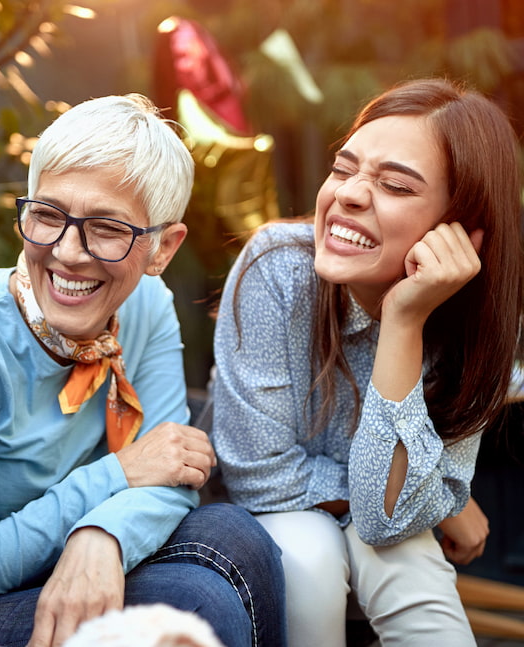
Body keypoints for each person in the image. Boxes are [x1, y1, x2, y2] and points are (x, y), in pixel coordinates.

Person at [0, 94, 286, 647]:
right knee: (194, 602)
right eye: (48, 215)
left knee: (238, 535)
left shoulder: (147, 305)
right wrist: (114, 478)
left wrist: (103, 534)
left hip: (42, 564)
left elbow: (171, 469)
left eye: (107, 228)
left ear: (162, 248)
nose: (67, 253)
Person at [212, 78, 523, 646]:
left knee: (406, 557)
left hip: (379, 537)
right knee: (314, 549)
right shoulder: (278, 267)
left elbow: (386, 520)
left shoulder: (473, 330)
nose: (349, 194)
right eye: (343, 168)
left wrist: (405, 320)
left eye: (395, 185)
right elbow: (260, 477)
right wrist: (440, 500)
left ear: (459, 229)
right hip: (266, 528)